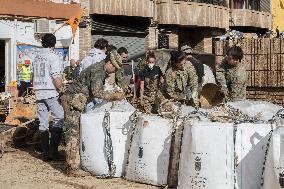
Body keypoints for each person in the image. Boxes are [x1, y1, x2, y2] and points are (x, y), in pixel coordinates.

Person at [62, 51, 127, 176]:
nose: (113, 71)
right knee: (72, 133)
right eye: (113, 68)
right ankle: (72, 168)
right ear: (109, 63)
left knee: (76, 131)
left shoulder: (101, 69)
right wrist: (114, 96)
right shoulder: (98, 70)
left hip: (77, 100)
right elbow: (97, 92)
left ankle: (74, 164)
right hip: (72, 100)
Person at [32, 33, 64, 161]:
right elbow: (56, 77)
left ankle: (45, 153)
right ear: (54, 44)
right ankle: (53, 151)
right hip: (51, 92)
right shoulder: (54, 57)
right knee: (59, 117)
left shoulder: (36, 57)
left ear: (42, 43)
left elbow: (31, 77)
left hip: (39, 91)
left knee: (43, 122)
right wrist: (61, 89)